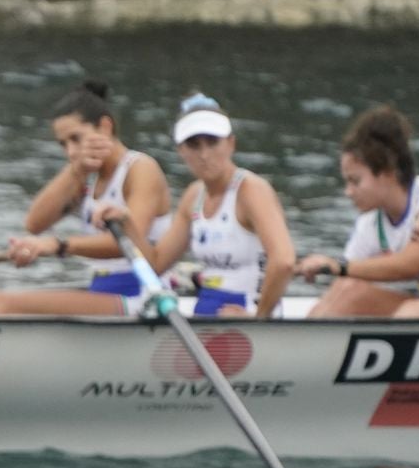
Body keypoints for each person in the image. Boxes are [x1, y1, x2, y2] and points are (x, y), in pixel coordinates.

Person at [0, 80, 173, 316]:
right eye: (63, 144)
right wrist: (76, 171)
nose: (71, 152)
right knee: (2, 299)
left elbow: (129, 243)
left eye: (76, 138)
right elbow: (34, 224)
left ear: (105, 127)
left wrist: (58, 245)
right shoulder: (85, 177)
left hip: (143, 295)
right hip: (104, 288)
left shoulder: (140, 169)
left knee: (2, 304)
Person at [294, 105, 419, 319]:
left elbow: (412, 263)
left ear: (387, 172)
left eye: (355, 181)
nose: (348, 192)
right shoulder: (371, 222)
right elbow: (345, 282)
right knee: (346, 290)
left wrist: (335, 266)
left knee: (410, 313)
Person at [99, 95, 295, 318]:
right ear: (181, 150)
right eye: (194, 145)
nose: (204, 155)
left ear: (231, 143)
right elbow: (156, 264)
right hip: (207, 316)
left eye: (213, 142)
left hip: (247, 320)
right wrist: (126, 223)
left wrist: (259, 317)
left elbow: (284, 261)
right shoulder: (194, 196)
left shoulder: (251, 190)